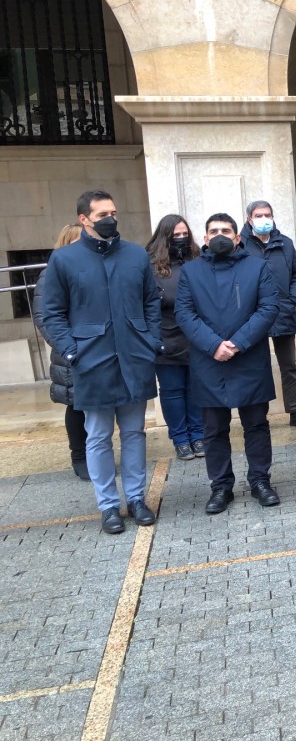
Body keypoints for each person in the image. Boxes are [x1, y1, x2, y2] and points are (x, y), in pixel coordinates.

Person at [38, 190, 162, 534]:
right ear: (84, 220)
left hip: (134, 357)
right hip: (91, 360)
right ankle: (108, 505)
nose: (111, 218)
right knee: (98, 436)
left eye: (114, 211)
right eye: (102, 213)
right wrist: (71, 349)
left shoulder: (136, 256)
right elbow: (52, 313)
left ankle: (136, 498)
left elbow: (151, 301)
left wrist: (150, 340)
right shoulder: (63, 261)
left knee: (135, 433)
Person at [176, 213, 281, 514]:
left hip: (248, 358)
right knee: (213, 430)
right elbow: (185, 314)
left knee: (257, 425)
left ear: (237, 237)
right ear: (205, 238)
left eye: (226, 230)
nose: (220, 235)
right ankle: (221, 486)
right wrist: (213, 345)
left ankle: (260, 480)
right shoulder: (191, 272)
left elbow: (268, 308)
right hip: (209, 361)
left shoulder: (257, 267)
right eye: (213, 231)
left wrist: (237, 343)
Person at [240, 200, 296, 431]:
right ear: (250, 219)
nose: (264, 219)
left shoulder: (284, 243)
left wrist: (291, 298)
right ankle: (257, 414)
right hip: (252, 316)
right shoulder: (241, 245)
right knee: (255, 366)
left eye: (268, 214)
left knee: (289, 366)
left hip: (282, 312)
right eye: (259, 215)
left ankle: (295, 411)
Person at [31, 223, 89, 481]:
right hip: (71, 352)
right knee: (75, 404)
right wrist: (68, 347)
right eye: (78, 241)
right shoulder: (52, 273)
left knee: (96, 406)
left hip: (95, 349)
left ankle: (97, 453)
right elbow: (43, 316)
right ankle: (79, 456)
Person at [146, 214, 205, 461]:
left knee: (195, 389)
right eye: (175, 235)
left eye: (184, 234)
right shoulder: (150, 265)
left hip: (194, 335)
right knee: (172, 390)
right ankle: (180, 438)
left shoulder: (198, 259)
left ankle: (198, 434)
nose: (181, 239)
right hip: (165, 335)